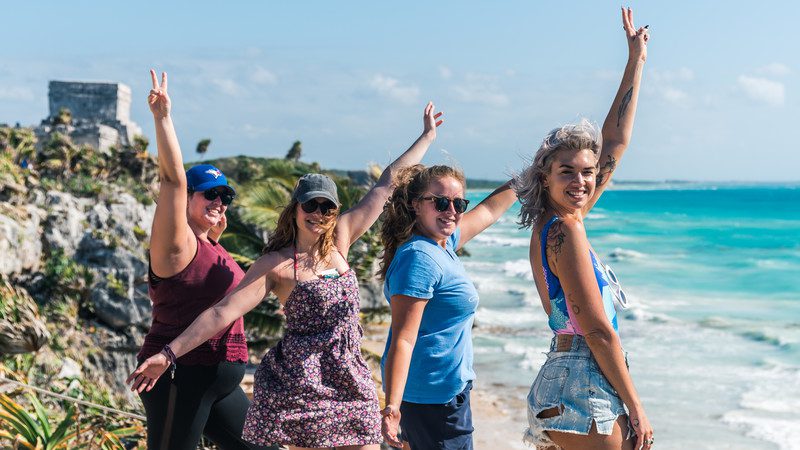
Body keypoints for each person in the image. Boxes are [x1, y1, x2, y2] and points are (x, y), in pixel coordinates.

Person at [128, 101, 445, 450]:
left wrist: (426, 136)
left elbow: (386, 184)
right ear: (295, 209)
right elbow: (222, 311)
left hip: (352, 379)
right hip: (305, 385)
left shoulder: (341, 240)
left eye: (327, 207)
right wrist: (169, 354)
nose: (319, 213)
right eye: (311, 205)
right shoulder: (276, 264)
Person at [514, 8, 654, 450]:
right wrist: (636, 404)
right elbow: (596, 329)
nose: (581, 181)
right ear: (545, 176)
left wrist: (636, 60)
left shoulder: (553, 224)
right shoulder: (565, 232)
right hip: (582, 381)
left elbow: (614, 142)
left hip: (563, 378)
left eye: (588, 172)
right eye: (567, 171)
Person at [129, 70, 270, 450]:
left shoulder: (208, 244)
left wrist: (212, 237)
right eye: (209, 194)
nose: (219, 202)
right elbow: (172, 180)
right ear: (188, 199)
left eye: (225, 196)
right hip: (179, 374)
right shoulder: (173, 245)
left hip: (217, 381)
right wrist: (163, 118)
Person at [378, 164, 517, 449]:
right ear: (416, 205)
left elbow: (489, 211)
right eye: (441, 202)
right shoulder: (419, 258)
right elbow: (403, 339)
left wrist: (531, 174)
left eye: (458, 203)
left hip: (446, 393)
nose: (451, 210)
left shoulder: (443, 244)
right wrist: (392, 407)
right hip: (432, 401)